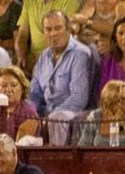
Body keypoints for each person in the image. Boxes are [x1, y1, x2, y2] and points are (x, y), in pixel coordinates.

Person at [28, 11, 96, 145]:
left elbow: (79, 98)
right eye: (48, 29)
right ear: (44, 32)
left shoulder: (80, 54)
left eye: (58, 28)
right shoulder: (44, 56)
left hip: (72, 113)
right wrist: (31, 114)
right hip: (46, 113)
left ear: (68, 29)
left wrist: (49, 118)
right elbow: (34, 93)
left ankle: (57, 162)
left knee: (57, 118)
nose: (53, 33)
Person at [15, 0, 81, 71]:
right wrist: (22, 56)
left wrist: (41, 61)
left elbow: (65, 38)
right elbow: (22, 34)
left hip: (57, 61)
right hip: (31, 61)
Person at [77, 79, 125, 147]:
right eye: (123, 99)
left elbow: (121, 144)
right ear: (110, 101)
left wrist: (117, 121)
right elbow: (83, 145)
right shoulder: (95, 116)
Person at [0, 66, 39, 141]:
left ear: (22, 88)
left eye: (13, 85)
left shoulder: (28, 112)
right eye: (3, 85)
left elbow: (22, 147)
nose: (8, 90)